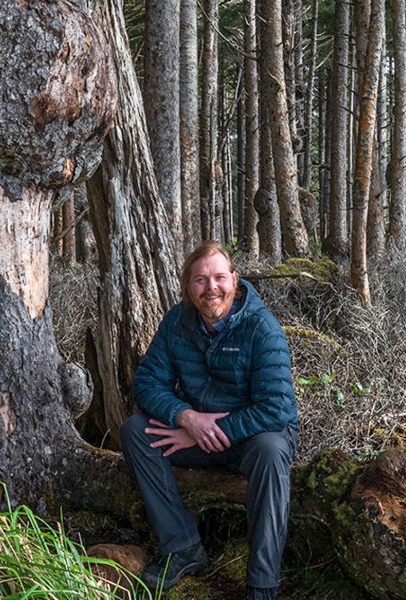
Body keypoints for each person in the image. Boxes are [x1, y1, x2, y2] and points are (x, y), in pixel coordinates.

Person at [120, 241, 299, 600]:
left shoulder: (261, 328)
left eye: (219, 277)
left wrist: (209, 431)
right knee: (136, 432)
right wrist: (185, 418)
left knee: (271, 449)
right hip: (197, 432)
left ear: (234, 279)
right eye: (200, 280)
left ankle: (262, 584)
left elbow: (277, 408)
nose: (211, 288)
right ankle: (183, 546)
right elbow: (147, 383)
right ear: (188, 285)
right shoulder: (178, 322)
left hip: (253, 437)